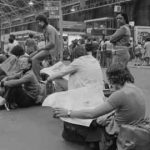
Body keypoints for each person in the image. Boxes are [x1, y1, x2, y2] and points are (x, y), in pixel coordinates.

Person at [53, 63, 146, 150]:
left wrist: (68, 112)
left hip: (119, 134)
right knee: (99, 118)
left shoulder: (120, 94)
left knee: (74, 122)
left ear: (113, 79)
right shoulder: (135, 89)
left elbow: (91, 114)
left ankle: (94, 144)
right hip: (135, 130)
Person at [31, 14, 60, 81]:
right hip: (49, 50)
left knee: (34, 60)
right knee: (31, 57)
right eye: (37, 22)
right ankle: (42, 73)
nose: (38, 24)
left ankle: (38, 79)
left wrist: (42, 48)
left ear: (43, 21)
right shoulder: (45, 29)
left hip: (52, 50)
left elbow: (52, 43)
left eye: (39, 22)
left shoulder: (49, 29)